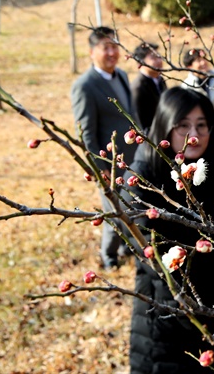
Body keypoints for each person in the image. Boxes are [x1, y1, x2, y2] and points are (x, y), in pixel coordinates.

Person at [123, 87, 214, 373]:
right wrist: (189, 307)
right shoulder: (143, 175)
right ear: (166, 126)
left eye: (201, 125)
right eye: (183, 125)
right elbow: (151, 254)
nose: (193, 133)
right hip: (171, 309)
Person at [70, 26, 137, 270]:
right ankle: (108, 257)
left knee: (130, 207)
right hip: (108, 163)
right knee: (112, 212)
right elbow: (86, 132)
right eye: (105, 47)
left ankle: (124, 247)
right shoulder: (85, 86)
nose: (111, 52)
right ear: (92, 52)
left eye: (114, 46)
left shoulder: (121, 76)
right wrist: (100, 168)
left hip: (130, 158)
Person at [130, 42, 167, 130]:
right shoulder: (138, 88)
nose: (159, 61)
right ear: (141, 62)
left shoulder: (161, 80)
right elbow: (140, 122)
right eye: (154, 58)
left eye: (159, 56)